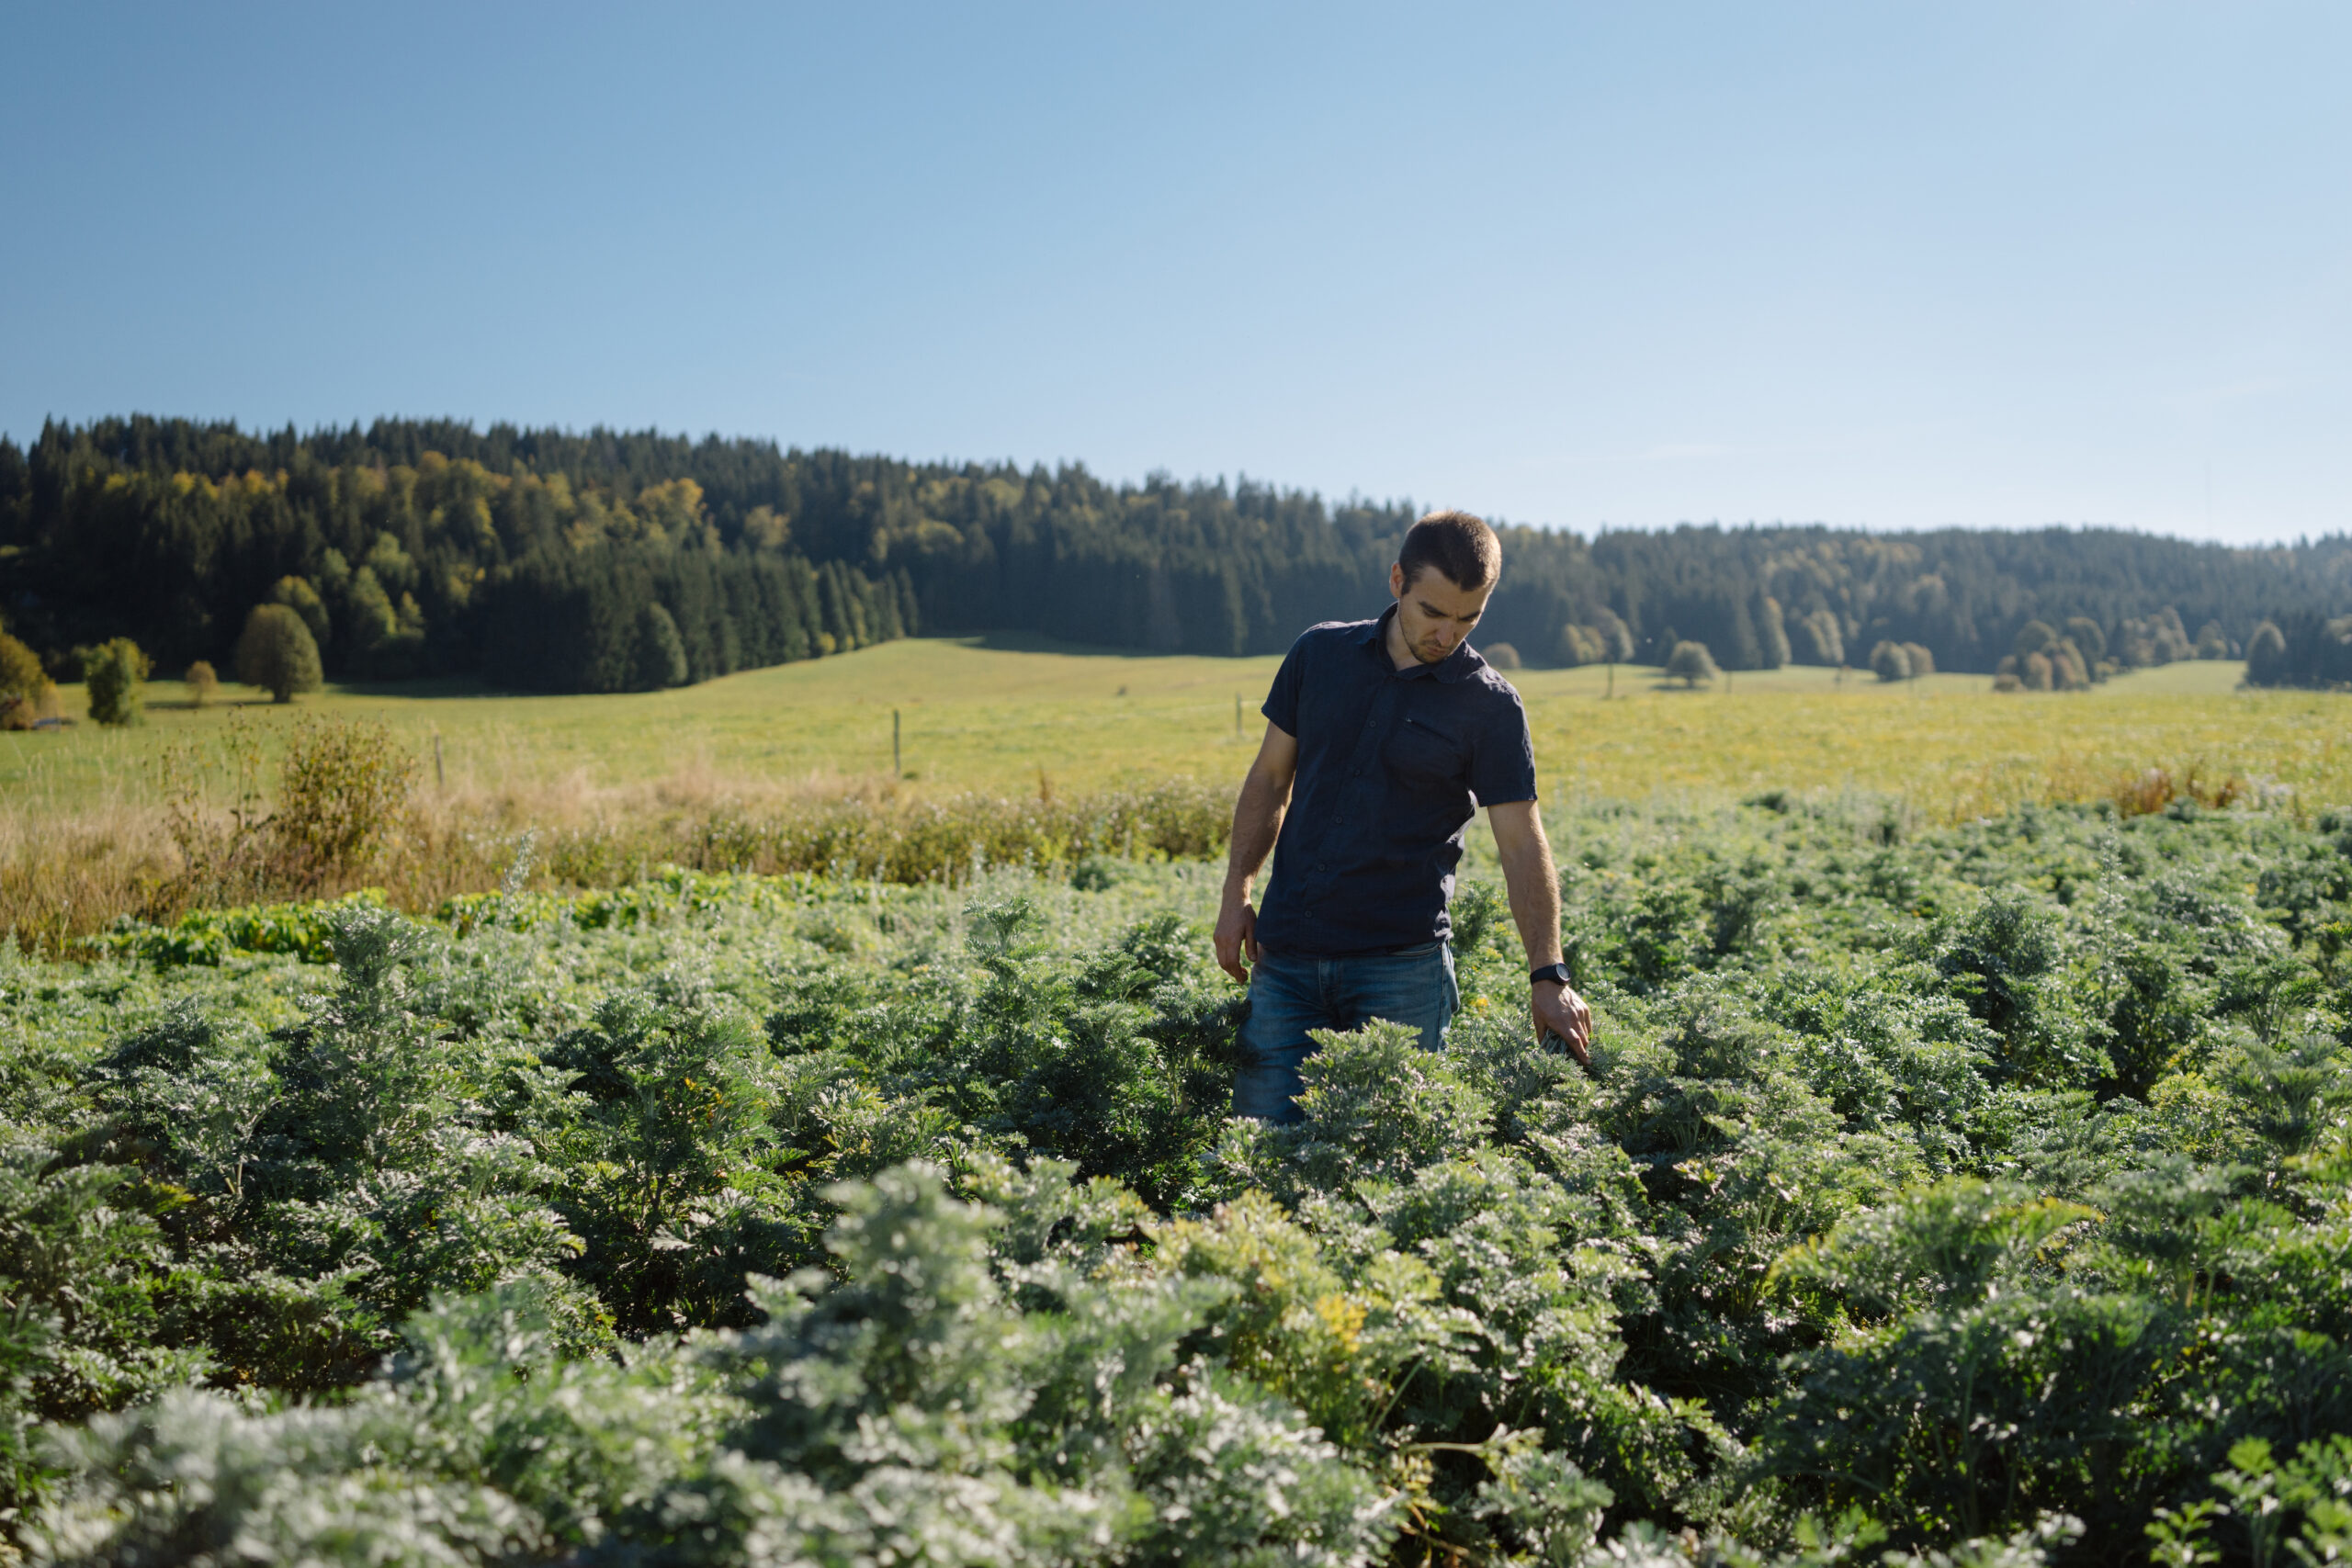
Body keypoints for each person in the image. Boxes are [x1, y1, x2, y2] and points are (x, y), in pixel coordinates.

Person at [1215, 509, 1593, 1122]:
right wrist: (1236, 892)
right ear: (1397, 581)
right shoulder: (1318, 655)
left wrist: (1548, 974)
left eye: (1469, 617)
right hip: (1285, 962)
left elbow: (1523, 846)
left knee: (1386, 1175)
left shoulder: (1490, 707)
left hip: (1401, 975)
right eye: (1434, 613)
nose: (1449, 634)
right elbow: (1268, 779)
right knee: (1258, 1158)